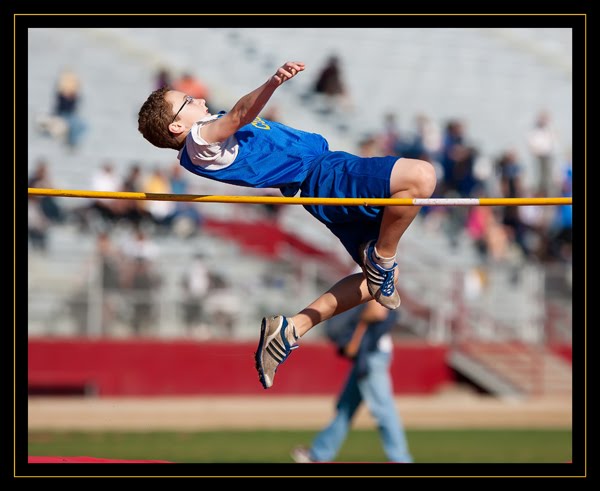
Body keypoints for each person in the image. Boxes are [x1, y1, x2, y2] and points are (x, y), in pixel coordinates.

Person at [137, 61, 437, 389]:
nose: (198, 98)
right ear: (177, 126)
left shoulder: (207, 136)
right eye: (187, 100)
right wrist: (273, 82)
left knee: (378, 281)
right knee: (421, 176)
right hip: (325, 175)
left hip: (318, 182)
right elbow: (240, 115)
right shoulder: (199, 140)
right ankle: (382, 257)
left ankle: (292, 328)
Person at [291, 299, 413, 463]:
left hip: (372, 355)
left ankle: (400, 459)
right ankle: (320, 453)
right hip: (368, 354)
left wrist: (362, 321)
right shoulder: (362, 286)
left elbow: (379, 312)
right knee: (346, 407)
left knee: (383, 409)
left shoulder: (369, 283)